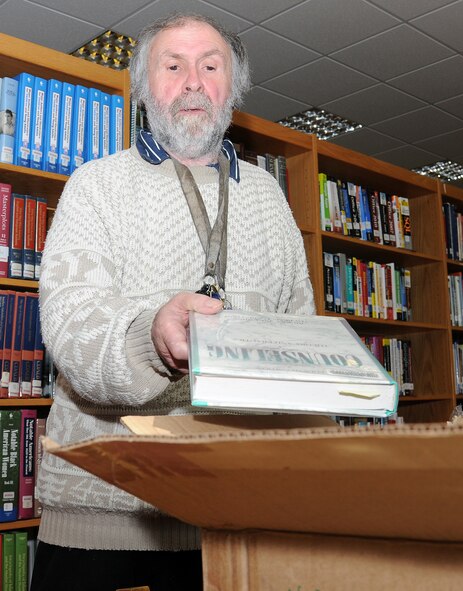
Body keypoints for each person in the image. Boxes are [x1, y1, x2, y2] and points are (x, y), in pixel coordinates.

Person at [31, 12, 315, 591]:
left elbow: (299, 335)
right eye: (173, 65)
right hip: (107, 523)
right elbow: (71, 327)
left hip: (239, 521)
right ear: (143, 88)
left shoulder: (269, 197)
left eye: (210, 66)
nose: (192, 81)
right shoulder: (95, 183)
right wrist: (150, 336)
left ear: (231, 89)